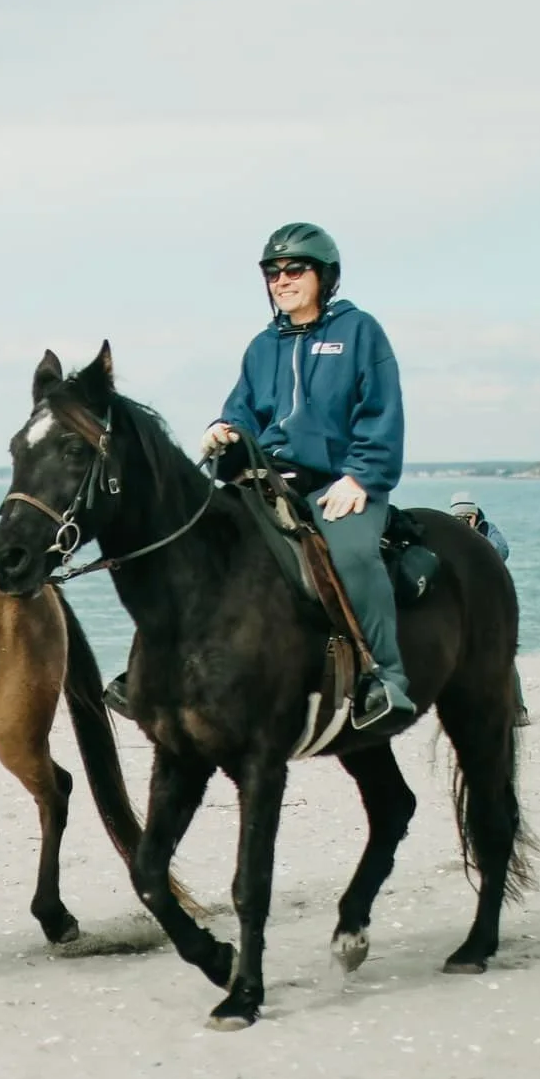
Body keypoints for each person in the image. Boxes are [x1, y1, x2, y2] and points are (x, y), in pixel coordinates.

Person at [202, 222, 414, 724]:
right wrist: (224, 428)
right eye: (272, 272)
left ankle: (387, 678)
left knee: (354, 555)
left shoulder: (359, 331)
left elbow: (382, 411)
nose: (283, 279)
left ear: (325, 275)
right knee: (196, 540)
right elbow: (245, 410)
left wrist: (361, 476)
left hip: (339, 482)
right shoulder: (261, 345)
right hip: (271, 475)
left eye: (295, 269)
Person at [450, 492, 529, 725]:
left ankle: (517, 709)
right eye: (458, 517)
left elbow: (501, 552)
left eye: (467, 516)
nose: (464, 520)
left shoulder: (488, 530)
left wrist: (472, 539)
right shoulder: (450, 534)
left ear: (475, 515)